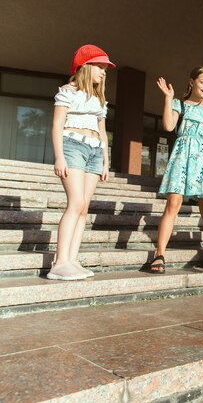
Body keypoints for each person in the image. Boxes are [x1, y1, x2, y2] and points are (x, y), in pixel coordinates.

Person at [48, 44, 116, 280]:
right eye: (100, 66)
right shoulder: (67, 92)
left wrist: (106, 162)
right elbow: (57, 125)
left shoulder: (99, 100)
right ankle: (59, 262)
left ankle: (72, 260)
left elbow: (103, 132)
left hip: (95, 152)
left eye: (105, 68)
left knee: (84, 207)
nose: (104, 71)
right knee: (75, 203)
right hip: (73, 146)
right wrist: (59, 156)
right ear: (85, 67)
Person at [148, 67, 203, 273]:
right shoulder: (179, 104)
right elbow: (168, 126)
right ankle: (159, 253)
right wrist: (168, 98)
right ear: (191, 82)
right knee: (173, 204)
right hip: (182, 158)